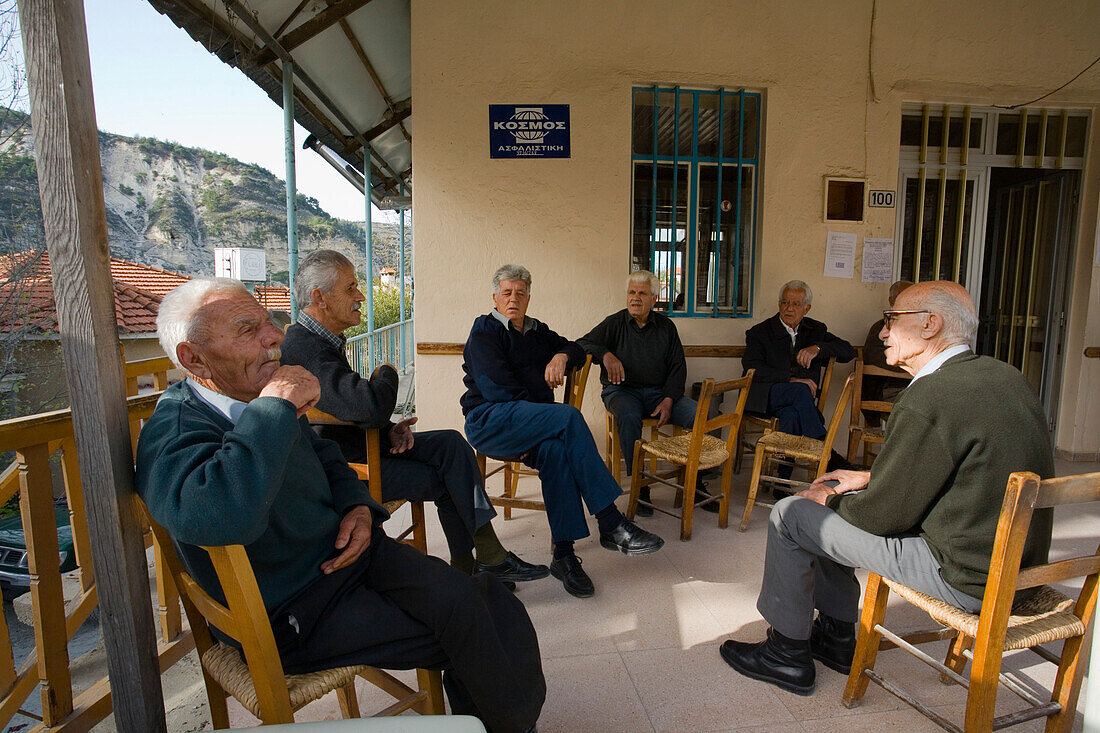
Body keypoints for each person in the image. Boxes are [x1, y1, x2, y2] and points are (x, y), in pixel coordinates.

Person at [136, 278, 545, 733]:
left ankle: (501, 722)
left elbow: (329, 458)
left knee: (484, 601)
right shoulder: (175, 430)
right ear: (193, 358)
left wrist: (360, 509)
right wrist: (273, 409)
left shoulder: (256, 398)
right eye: (247, 329)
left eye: (268, 324)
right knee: (474, 630)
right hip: (295, 609)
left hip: (350, 557)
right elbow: (225, 516)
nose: (274, 336)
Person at [718, 281, 1054, 697]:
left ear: (930, 324)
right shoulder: (1006, 377)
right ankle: (839, 640)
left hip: (964, 574)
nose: (882, 331)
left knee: (794, 514)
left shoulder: (929, 396)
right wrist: (869, 478)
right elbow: (965, 468)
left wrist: (829, 497)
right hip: (1019, 569)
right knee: (839, 494)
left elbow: (882, 517)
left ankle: (786, 654)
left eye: (893, 318)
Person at [280, 250, 547, 586]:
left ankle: (483, 560)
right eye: (350, 289)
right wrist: (388, 371)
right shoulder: (305, 349)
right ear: (319, 297)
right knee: (447, 477)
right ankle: (474, 565)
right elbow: (368, 405)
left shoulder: (318, 342)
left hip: (367, 445)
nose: (360, 296)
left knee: (450, 444)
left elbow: (344, 408)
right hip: (348, 469)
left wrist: (390, 428)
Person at [462, 264, 665, 599]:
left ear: (529, 297)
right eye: (507, 292)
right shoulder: (485, 330)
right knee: (568, 418)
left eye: (521, 293)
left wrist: (559, 355)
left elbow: (578, 347)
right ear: (495, 297)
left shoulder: (537, 332)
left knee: (557, 453)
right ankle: (610, 521)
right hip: (490, 420)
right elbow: (499, 391)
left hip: (529, 424)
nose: (514, 298)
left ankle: (564, 556)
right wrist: (542, 421)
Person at [578, 269, 715, 516]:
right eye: (632, 292)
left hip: (659, 394)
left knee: (699, 414)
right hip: (622, 392)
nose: (635, 298)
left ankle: (697, 482)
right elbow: (582, 343)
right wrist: (605, 355)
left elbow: (677, 367)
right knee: (629, 417)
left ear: (654, 299)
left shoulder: (666, 327)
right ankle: (640, 486)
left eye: (642, 293)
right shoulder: (615, 323)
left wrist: (669, 400)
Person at [742, 279, 856, 442]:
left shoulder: (815, 330)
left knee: (792, 415)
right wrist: (790, 379)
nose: (789, 309)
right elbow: (752, 368)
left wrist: (817, 348)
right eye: (785, 303)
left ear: (806, 308)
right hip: (766, 396)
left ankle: (784, 467)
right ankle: (822, 444)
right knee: (800, 389)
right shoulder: (760, 332)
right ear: (779, 304)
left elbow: (848, 351)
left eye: (796, 304)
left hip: (797, 403)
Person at [860, 279, 913, 427]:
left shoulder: (919, 328)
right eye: (904, 298)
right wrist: (910, 365)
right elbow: (873, 356)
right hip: (887, 389)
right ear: (891, 301)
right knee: (919, 411)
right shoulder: (882, 327)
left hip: (913, 388)